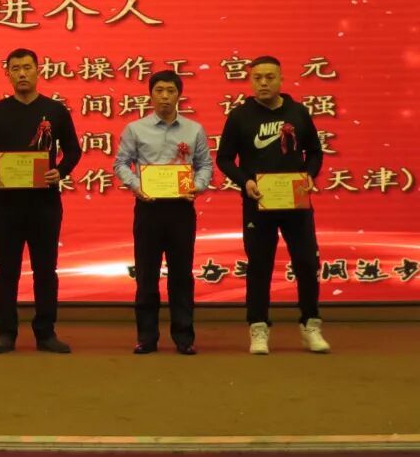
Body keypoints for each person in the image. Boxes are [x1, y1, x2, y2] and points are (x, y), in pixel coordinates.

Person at [217, 55, 329, 355]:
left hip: (296, 202)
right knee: (259, 265)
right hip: (258, 202)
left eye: (269, 77)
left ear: (281, 79)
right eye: (257, 78)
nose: (263, 83)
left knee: (306, 262)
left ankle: (310, 324)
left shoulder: (298, 112)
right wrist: (245, 182)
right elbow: (224, 159)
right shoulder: (240, 116)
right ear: (250, 80)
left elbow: (315, 152)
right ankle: (258, 327)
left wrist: (309, 175)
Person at [0, 48, 81, 354]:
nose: (22, 73)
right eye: (16, 68)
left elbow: (73, 150)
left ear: (38, 71)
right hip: (6, 203)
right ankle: (6, 333)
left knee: (45, 269)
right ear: (7, 73)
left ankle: (46, 333)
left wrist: (60, 171)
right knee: (6, 270)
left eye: (27, 67)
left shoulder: (55, 110)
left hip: (44, 203)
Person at [113, 70, 212, 355]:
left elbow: (205, 165)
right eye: (159, 91)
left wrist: (197, 186)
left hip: (181, 209)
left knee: (182, 275)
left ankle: (184, 337)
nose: (165, 96)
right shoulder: (135, 129)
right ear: (151, 95)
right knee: (147, 274)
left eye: (170, 91)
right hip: (149, 208)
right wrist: (136, 186)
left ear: (179, 95)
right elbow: (121, 164)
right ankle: (146, 337)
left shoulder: (194, 129)